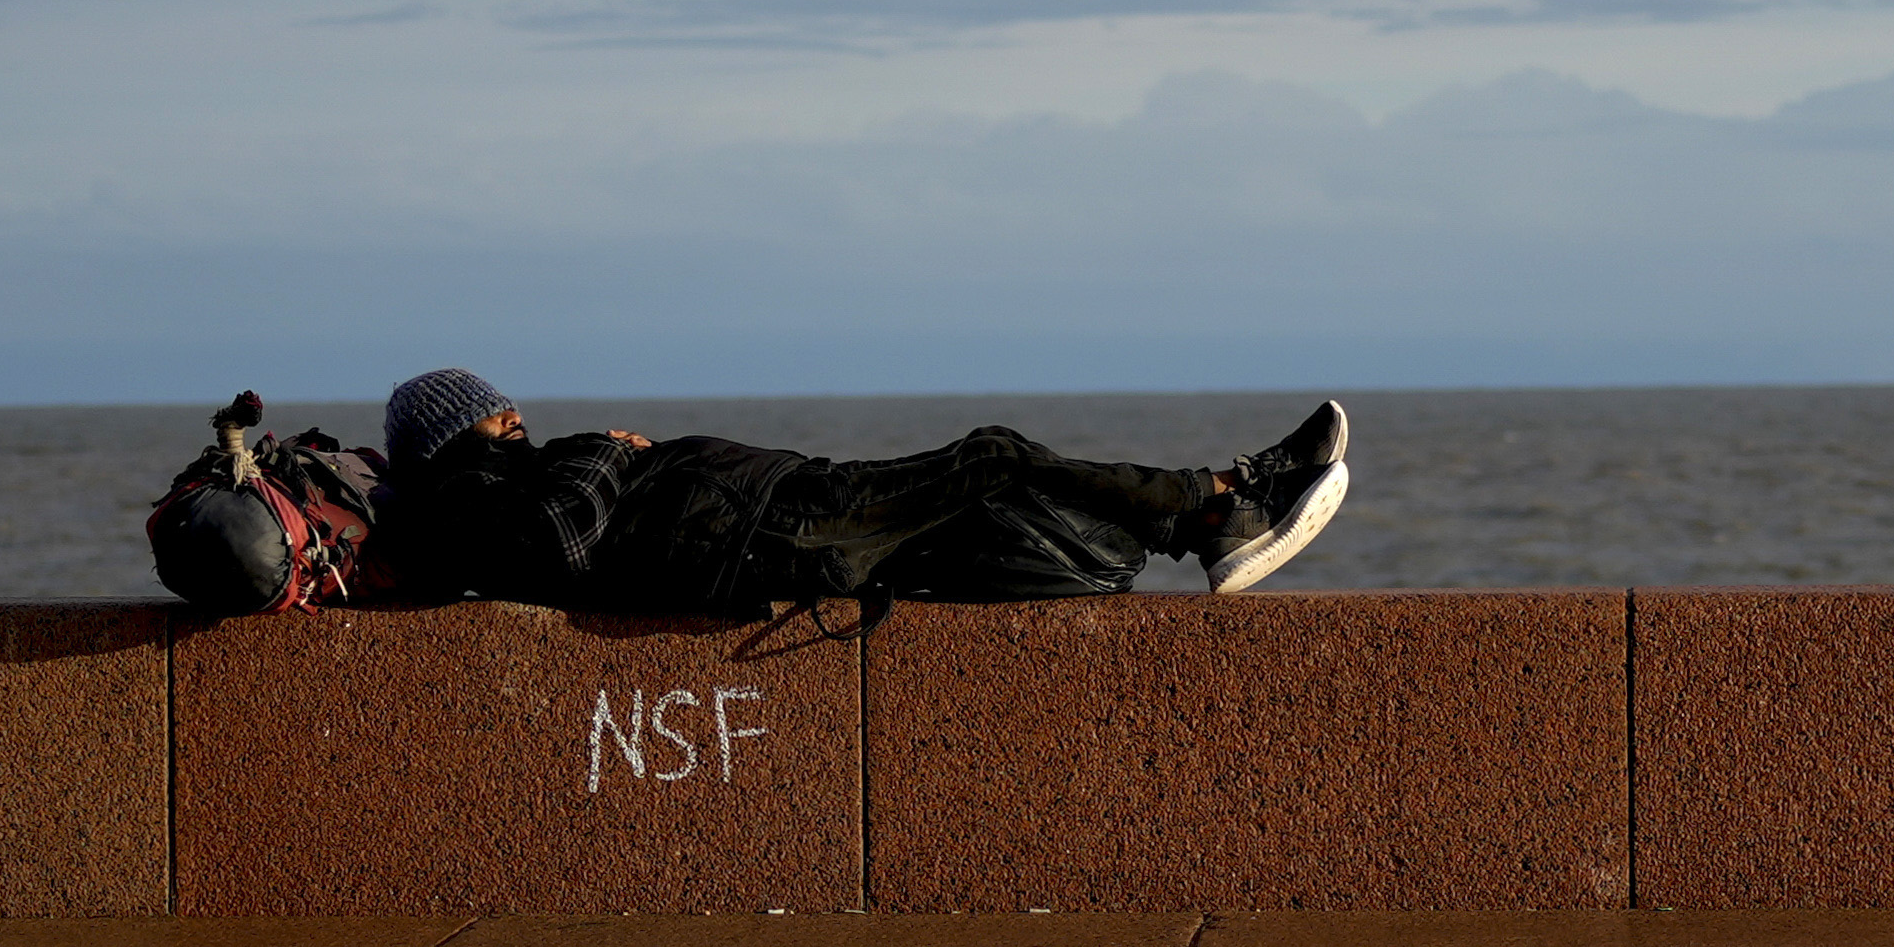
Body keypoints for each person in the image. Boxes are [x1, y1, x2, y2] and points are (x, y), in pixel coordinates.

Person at [361, 374, 1353, 612]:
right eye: (496, 416)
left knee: (994, 512)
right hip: (766, 528)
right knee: (992, 456)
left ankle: (1207, 521)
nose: (515, 421)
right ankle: (1224, 500)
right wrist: (610, 452)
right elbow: (559, 538)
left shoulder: (491, 480)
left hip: (774, 504)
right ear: (457, 433)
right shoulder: (473, 500)